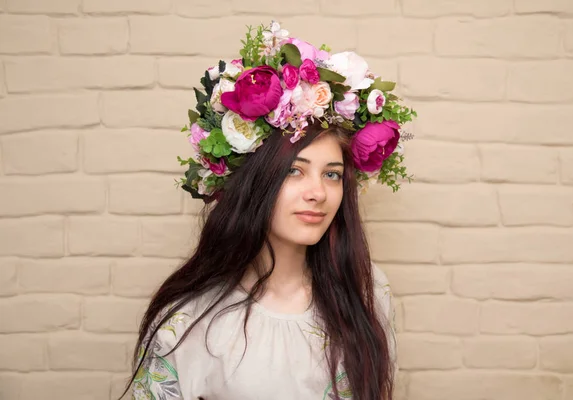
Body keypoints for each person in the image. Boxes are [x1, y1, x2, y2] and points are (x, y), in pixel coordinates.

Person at [119, 20, 416, 400]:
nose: (318, 193)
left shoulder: (367, 290)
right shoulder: (191, 318)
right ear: (254, 183)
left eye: (332, 175)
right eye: (295, 171)